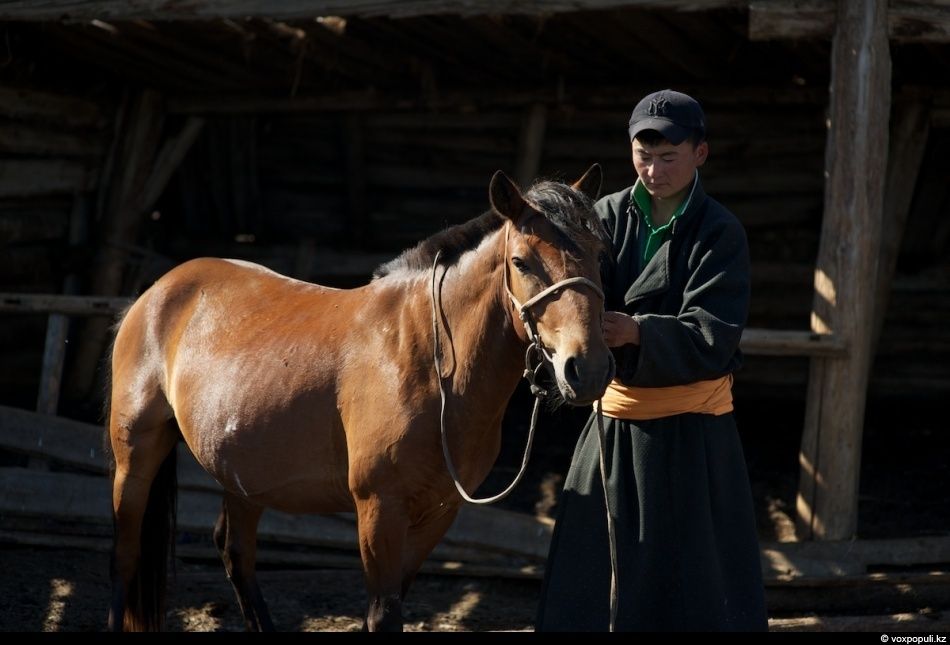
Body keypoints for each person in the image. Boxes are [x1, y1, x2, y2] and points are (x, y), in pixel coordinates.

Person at [536, 89, 768, 631]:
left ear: (699, 154)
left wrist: (639, 332)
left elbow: (715, 336)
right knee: (597, 583)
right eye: (644, 156)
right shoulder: (602, 217)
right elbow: (570, 296)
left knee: (694, 585)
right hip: (613, 425)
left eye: (669, 157)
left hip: (694, 438)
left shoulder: (720, 233)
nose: (654, 170)